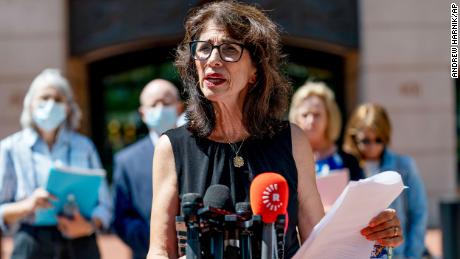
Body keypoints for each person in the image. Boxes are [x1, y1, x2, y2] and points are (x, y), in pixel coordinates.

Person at [147, 2, 403, 258]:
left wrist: (373, 235)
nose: (213, 59)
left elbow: (320, 243)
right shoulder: (172, 147)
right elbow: (158, 252)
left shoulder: (292, 140)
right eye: (203, 49)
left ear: (255, 71)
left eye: (228, 49)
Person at [0, 69, 112, 259]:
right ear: (30, 104)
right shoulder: (10, 148)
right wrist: (28, 205)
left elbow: (105, 205)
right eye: (44, 98)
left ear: (68, 107)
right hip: (31, 242)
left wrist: (90, 225)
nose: (51, 104)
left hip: (81, 241)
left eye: (58, 99)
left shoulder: (84, 147)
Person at [343, 103, 428, 259]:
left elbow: (419, 212)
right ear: (354, 137)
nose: (373, 146)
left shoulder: (404, 165)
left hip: (396, 254)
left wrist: (412, 254)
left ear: (386, 136)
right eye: (366, 141)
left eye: (379, 140)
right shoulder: (345, 166)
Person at [112, 79, 180, 259]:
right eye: (153, 104)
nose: (160, 109)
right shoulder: (126, 160)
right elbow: (121, 218)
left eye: (166, 103)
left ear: (179, 108)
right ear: (143, 113)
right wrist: (155, 240)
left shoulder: (198, 150)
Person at [289, 81, 364, 180]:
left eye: (317, 115)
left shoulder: (349, 162)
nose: (311, 121)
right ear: (296, 118)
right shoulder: (286, 161)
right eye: (305, 115)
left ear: (329, 117)